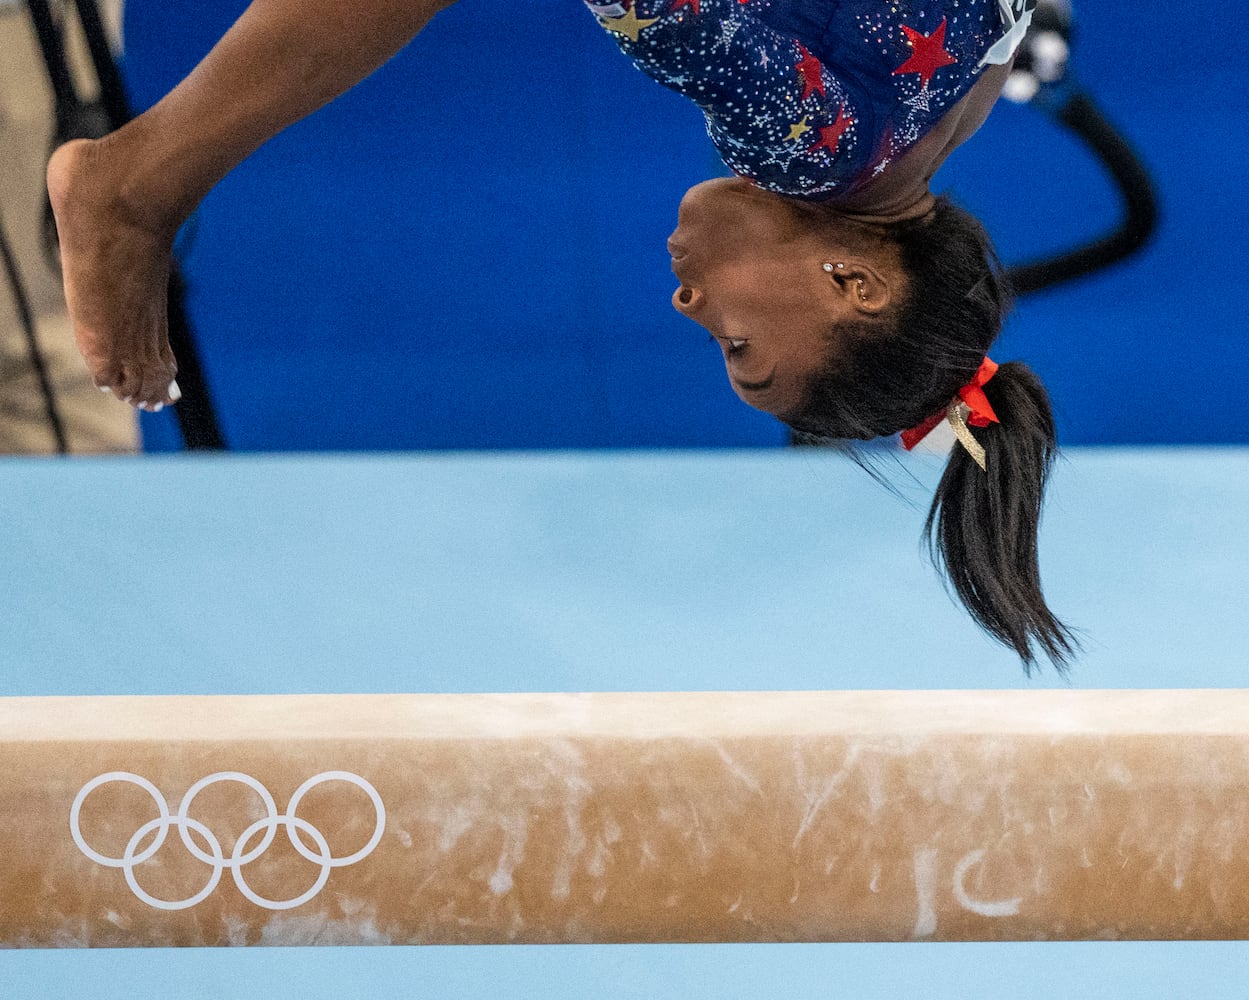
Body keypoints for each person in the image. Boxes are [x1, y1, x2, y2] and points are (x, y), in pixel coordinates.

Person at [47, 0, 1078, 670]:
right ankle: (136, 188)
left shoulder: (970, 87)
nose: (691, 310)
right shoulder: (813, 145)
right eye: (739, 349)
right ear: (850, 279)